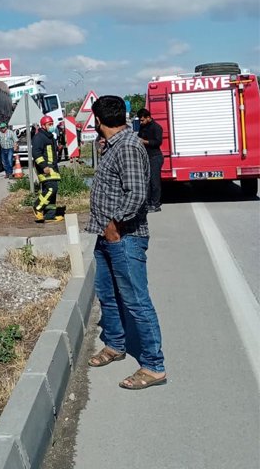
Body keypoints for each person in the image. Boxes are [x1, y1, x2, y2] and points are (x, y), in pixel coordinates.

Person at [85, 95, 166, 390]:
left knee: (136, 301)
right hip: (107, 236)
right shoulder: (114, 146)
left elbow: (136, 194)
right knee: (108, 294)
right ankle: (116, 344)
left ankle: (154, 366)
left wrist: (113, 226)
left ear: (97, 120)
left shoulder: (129, 147)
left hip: (124, 237)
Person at [31, 115, 63, 223]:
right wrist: (44, 166)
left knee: (52, 192)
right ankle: (37, 206)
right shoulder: (39, 137)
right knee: (51, 189)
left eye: (52, 124)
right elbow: (36, 153)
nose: (52, 126)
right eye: (50, 124)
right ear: (43, 125)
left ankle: (50, 215)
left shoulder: (50, 137)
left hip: (52, 168)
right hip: (44, 168)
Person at [136, 108, 163, 212]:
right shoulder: (142, 127)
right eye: (140, 120)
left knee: (154, 182)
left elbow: (157, 142)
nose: (141, 122)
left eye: (142, 120)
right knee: (146, 182)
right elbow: (139, 137)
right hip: (145, 158)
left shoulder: (156, 128)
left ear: (148, 117)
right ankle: (146, 204)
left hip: (155, 157)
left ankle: (155, 204)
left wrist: (144, 142)